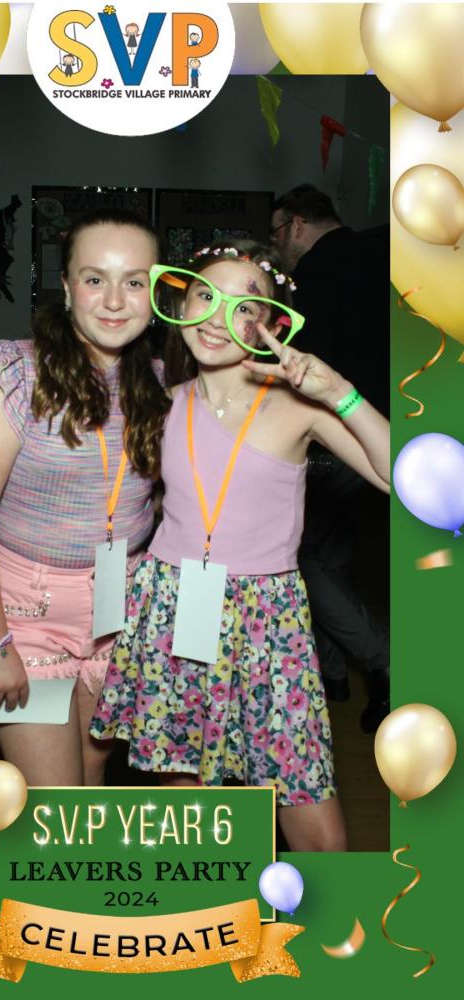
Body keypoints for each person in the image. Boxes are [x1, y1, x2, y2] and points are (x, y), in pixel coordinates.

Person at [90, 242, 390, 851]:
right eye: (205, 296)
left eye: (243, 306)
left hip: (268, 621)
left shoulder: (297, 405)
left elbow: (406, 480)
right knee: (186, 803)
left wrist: (339, 391)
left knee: (309, 810)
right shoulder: (164, 400)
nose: (217, 317)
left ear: (268, 325)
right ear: (182, 305)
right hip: (175, 608)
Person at [0, 208, 170, 787]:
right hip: (25, 618)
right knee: (54, 799)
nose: (114, 301)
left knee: (92, 775)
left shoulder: (164, 383)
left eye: (134, 282)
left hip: (120, 612)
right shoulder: (16, 374)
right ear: (66, 287)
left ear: (156, 295)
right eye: (95, 279)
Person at [270, 184, 389, 730]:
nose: (279, 244)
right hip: (380, 423)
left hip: (334, 435)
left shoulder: (314, 273)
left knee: (303, 558)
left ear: (297, 224)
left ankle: (383, 660)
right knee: (330, 552)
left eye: (278, 232)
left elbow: (305, 369)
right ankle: (333, 671)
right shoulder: (378, 257)